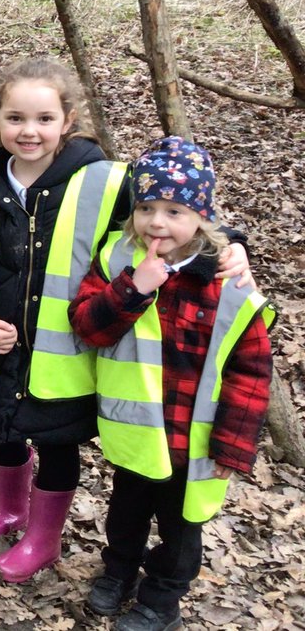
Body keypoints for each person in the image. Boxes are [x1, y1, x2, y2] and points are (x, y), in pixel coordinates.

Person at [0, 58, 250, 584]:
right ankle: (7, 507)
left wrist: (231, 246)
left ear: (68, 119)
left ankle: (44, 536)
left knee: (56, 447)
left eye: (43, 118)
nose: (29, 131)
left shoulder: (107, 182)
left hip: (67, 359)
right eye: (15, 118)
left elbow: (172, 222)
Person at [70, 137, 273, 631]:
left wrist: (233, 446)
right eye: (146, 207)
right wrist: (132, 287)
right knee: (126, 512)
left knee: (181, 531)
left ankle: (162, 599)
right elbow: (88, 326)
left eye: (174, 210)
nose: (157, 222)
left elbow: (251, 370)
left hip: (194, 438)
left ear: (202, 217)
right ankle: (117, 573)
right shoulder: (119, 257)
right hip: (138, 430)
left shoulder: (227, 281)